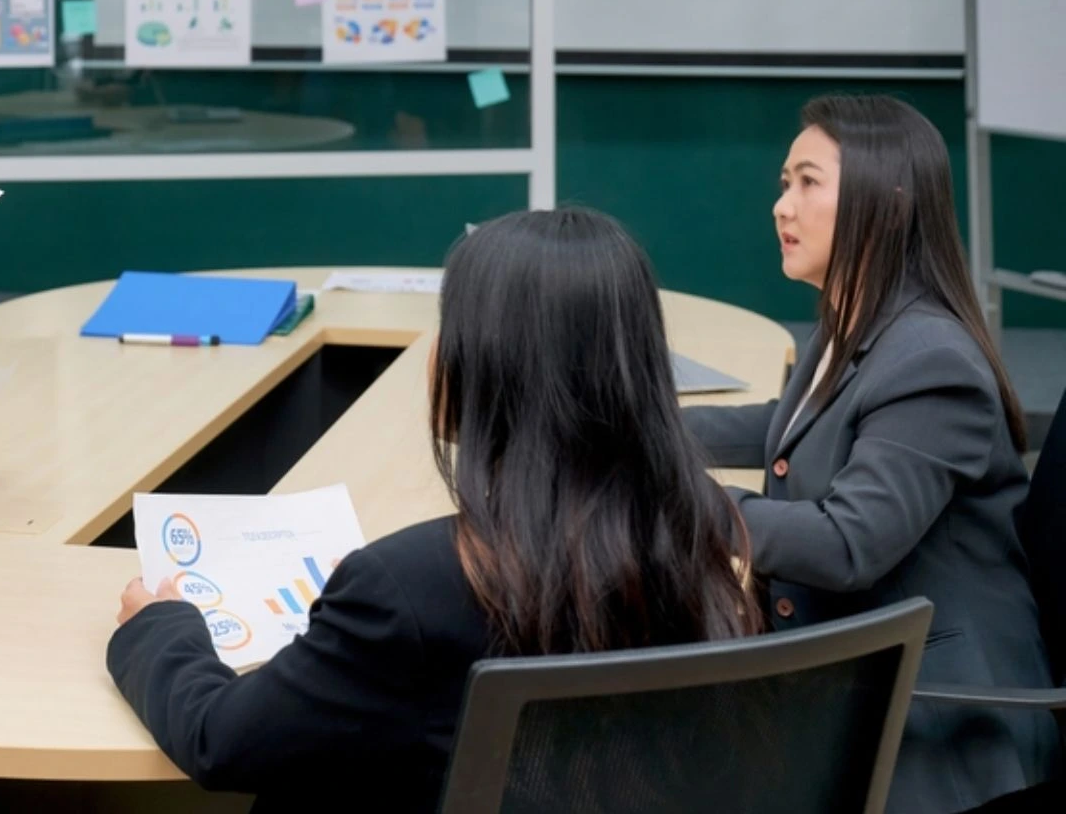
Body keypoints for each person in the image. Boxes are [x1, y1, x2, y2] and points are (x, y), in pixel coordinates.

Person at [108, 208, 759, 808]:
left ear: (487, 363)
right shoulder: (692, 535)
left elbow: (221, 741)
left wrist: (162, 625)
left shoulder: (411, 588)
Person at [684, 95, 1059, 813]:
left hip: (939, 723)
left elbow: (848, 542)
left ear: (883, 207)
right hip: (855, 673)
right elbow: (789, 426)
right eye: (783, 182)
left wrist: (680, 498)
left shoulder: (931, 361)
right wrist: (643, 430)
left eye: (806, 182)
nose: (780, 207)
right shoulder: (856, 317)